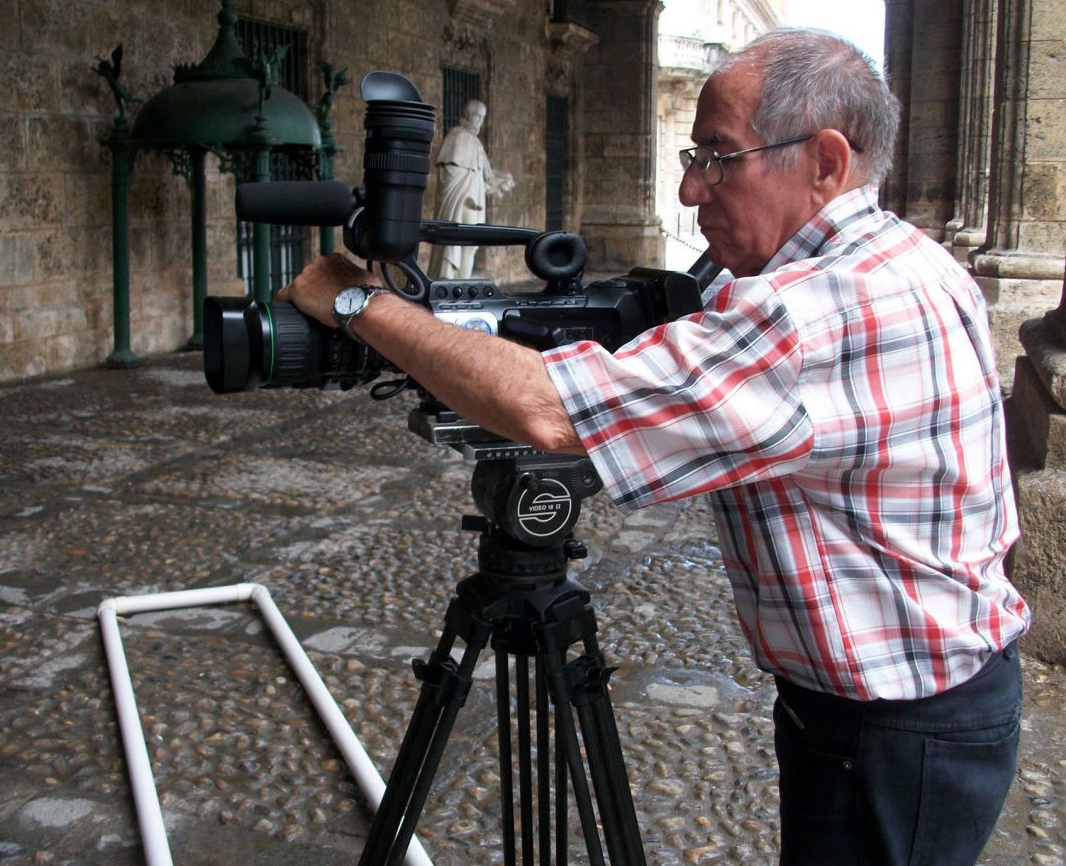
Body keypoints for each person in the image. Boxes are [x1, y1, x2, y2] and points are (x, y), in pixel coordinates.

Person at [277, 28, 1030, 866]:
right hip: (901, 698)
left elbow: (553, 413)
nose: (686, 188)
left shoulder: (820, 308)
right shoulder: (903, 258)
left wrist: (355, 306)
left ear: (823, 162)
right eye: (691, 153)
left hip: (894, 727)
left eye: (717, 156)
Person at [427, 99, 514, 279]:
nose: (479, 121)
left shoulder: (476, 143)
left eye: (482, 117)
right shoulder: (457, 136)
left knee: (470, 245)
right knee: (454, 243)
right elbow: (452, 175)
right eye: (477, 116)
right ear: (467, 115)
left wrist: (501, 180)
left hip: (474, 204)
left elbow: (482, 177)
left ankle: (462, 283)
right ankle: (447, 282)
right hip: (459, 202)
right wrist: (474, 186)